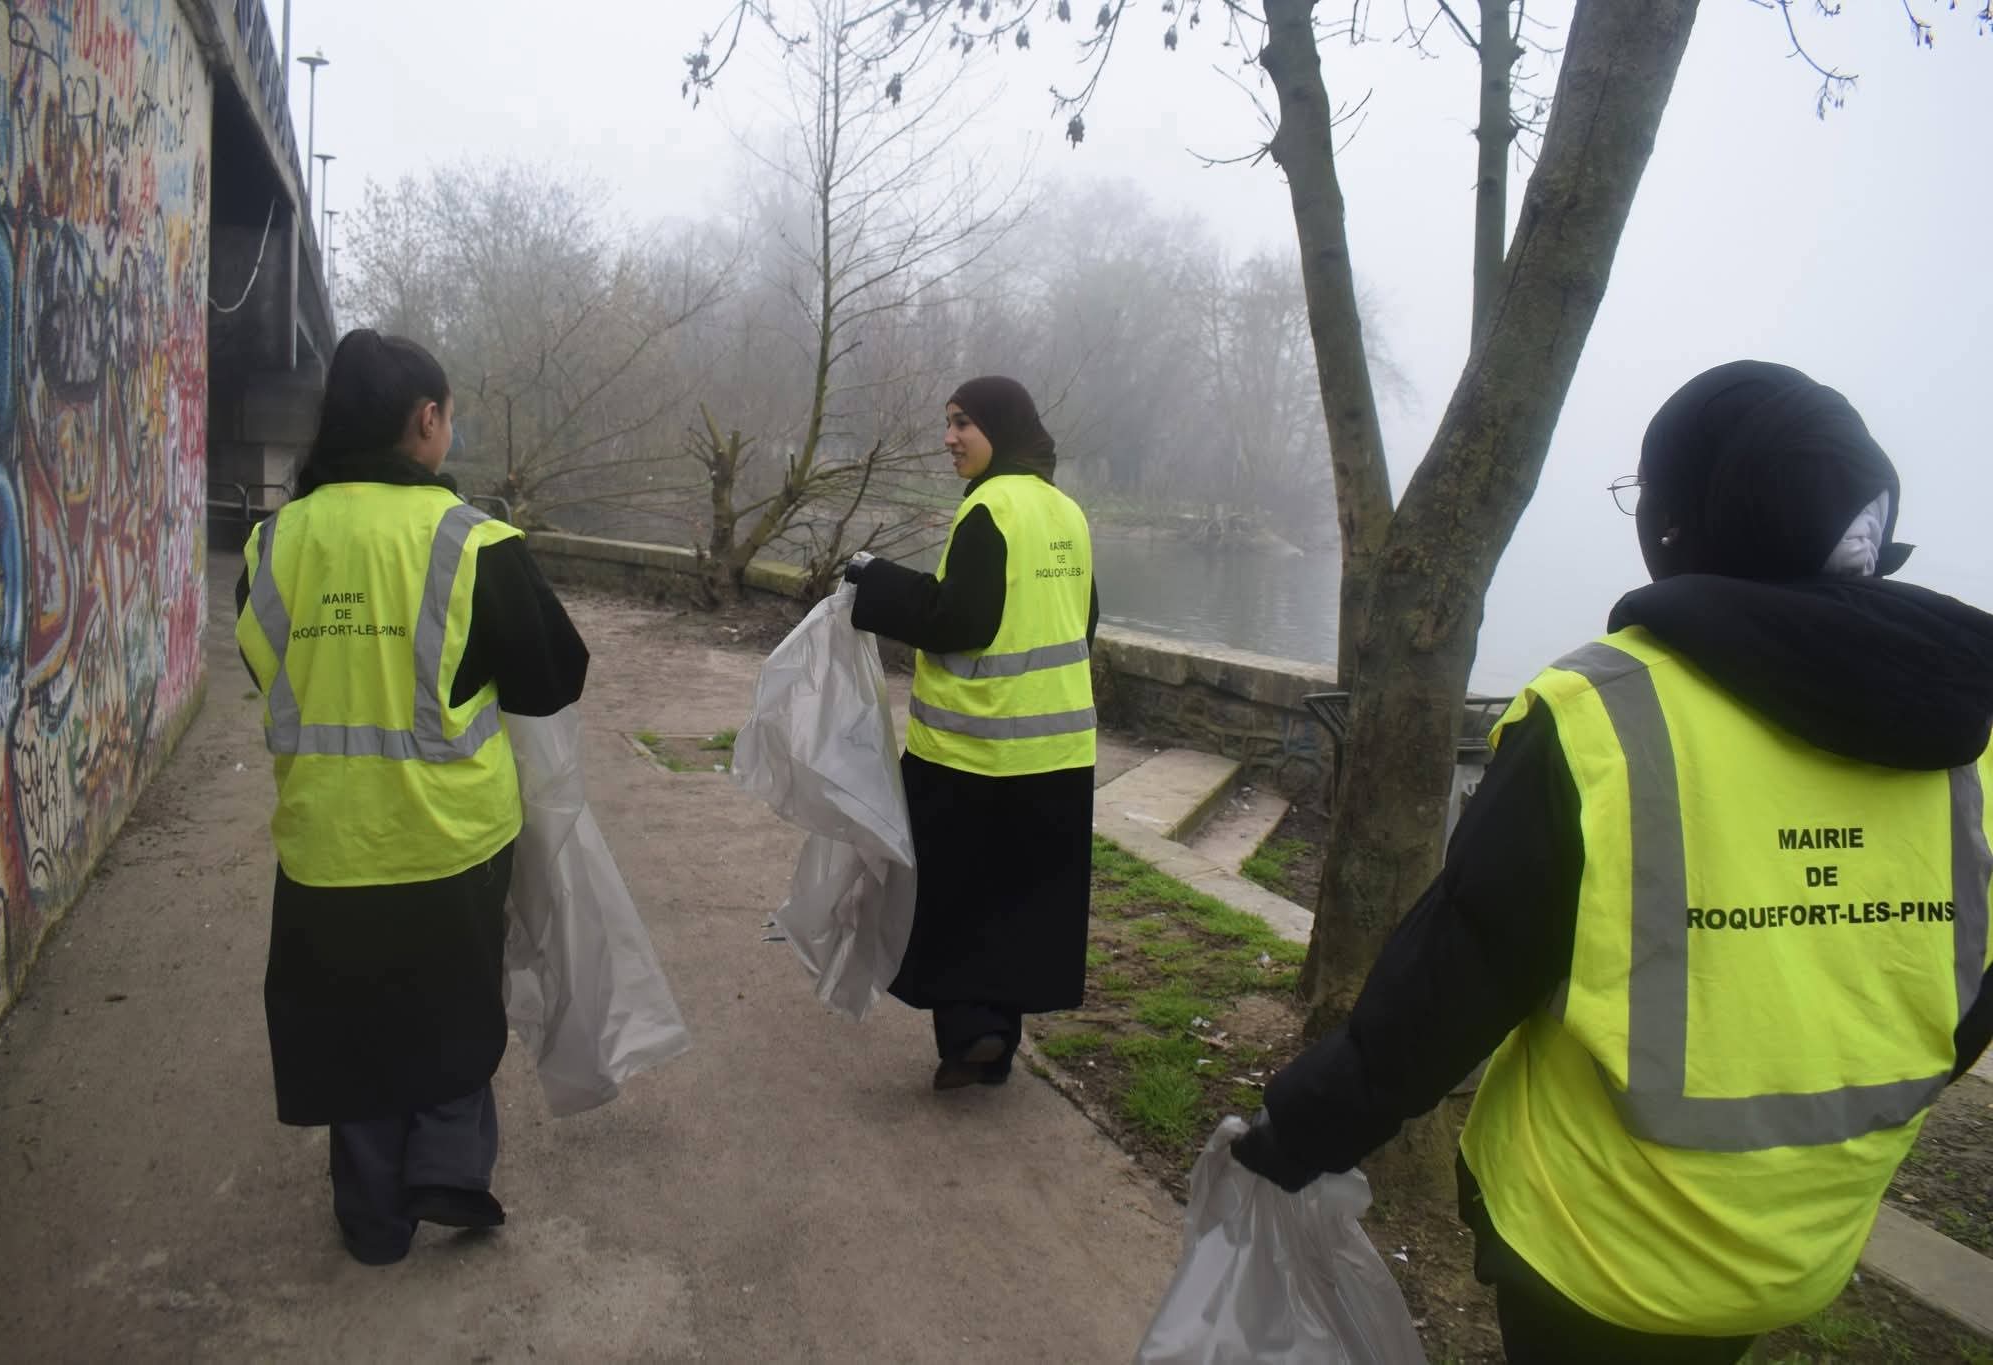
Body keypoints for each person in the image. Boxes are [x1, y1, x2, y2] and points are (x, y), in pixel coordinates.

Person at [1230, 361, 1993, 1362]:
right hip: (1798, 1246)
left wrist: (1297, 1137)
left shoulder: (1604, 714)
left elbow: (1452, 980)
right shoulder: (1966, 744)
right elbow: (1962, 1001)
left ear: (1683, 517)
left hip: (1590, 1248)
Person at [233, 329, 589, 1266]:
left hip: (323, 842)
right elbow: (556, 676)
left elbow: (259, 664)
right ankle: (449, 1166)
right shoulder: (474, 542)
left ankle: (373, 1219)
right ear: (424, 421)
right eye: (447, 417)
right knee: (456, 1008)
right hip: (451, 845)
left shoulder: (274, 542)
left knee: (348, 1027)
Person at [844, 376, 1100, 1090]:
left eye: (964, 423)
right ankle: (996, 1039)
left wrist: (873, 582)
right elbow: (1084, 623)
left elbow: (962, 620)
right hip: (1058, 756)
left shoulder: (990, 507)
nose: (950, 436)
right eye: (948, 423)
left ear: (1002, 428)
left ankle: (970, 1037)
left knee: (955, 896)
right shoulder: (1067, 512)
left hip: (972, 751)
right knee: (1019, 901)